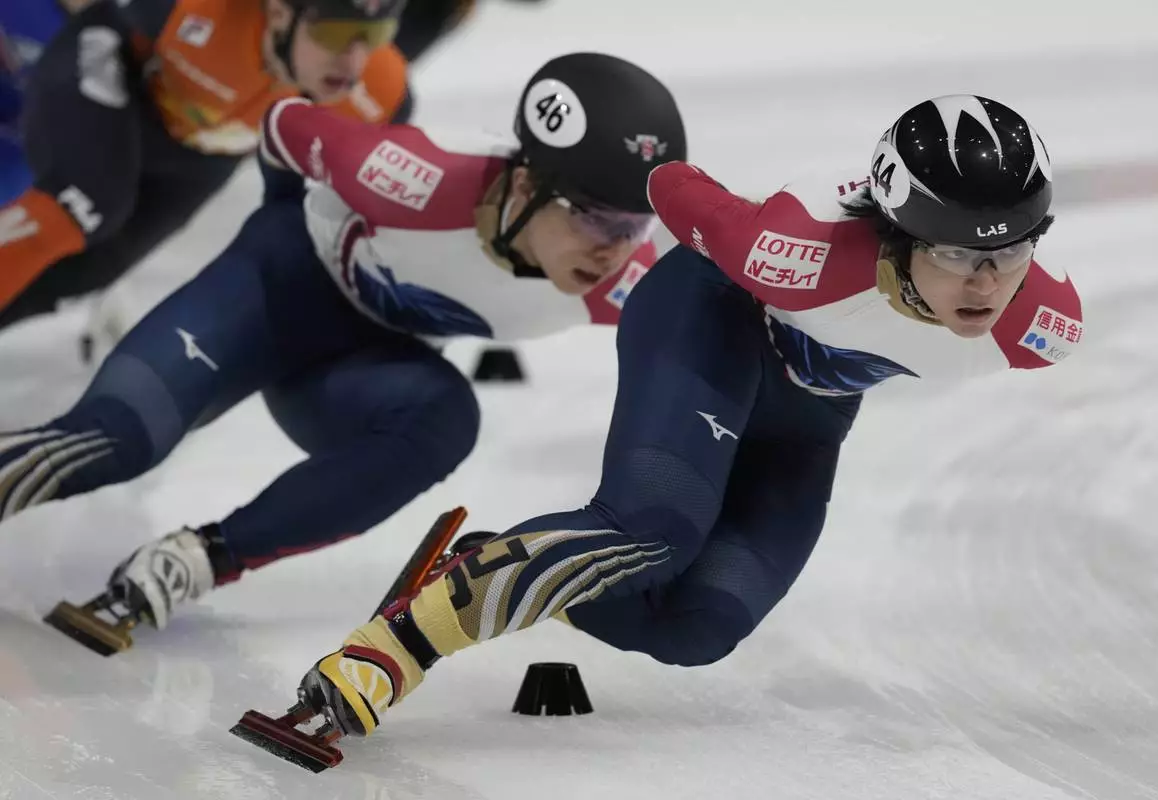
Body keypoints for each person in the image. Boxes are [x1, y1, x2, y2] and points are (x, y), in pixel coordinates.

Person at [287, 95, 1085, 739]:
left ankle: (484, 566)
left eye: (1011, 250)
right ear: (898, 234)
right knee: (651, 528)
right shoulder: (790, 251)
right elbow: (670, 184)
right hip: (711, 318)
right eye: (955, 253)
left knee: (698, 627)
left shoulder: (1042, 327)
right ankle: (392, 649)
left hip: (809, 412)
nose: (986, 284)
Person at [0, 52, 685, 643]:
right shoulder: (411, 174)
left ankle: (201, 558)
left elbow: (718, 347)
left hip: (354, 370)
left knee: (446, 420)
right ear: (528, 186)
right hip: (269, 292)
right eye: (599, 219)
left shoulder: (628, 283)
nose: (617, 250)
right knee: (116, 440)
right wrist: (274, 220)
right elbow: (281, 127)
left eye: (636, 225)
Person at [0, 0, 416, 333]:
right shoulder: (199, 7)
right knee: (86, 202)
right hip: (118, 71)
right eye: (334, 33)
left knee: (88, 271)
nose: (353, 62)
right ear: (278, 13)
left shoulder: (381, 93)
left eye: (376, 36)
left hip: (202, 151)